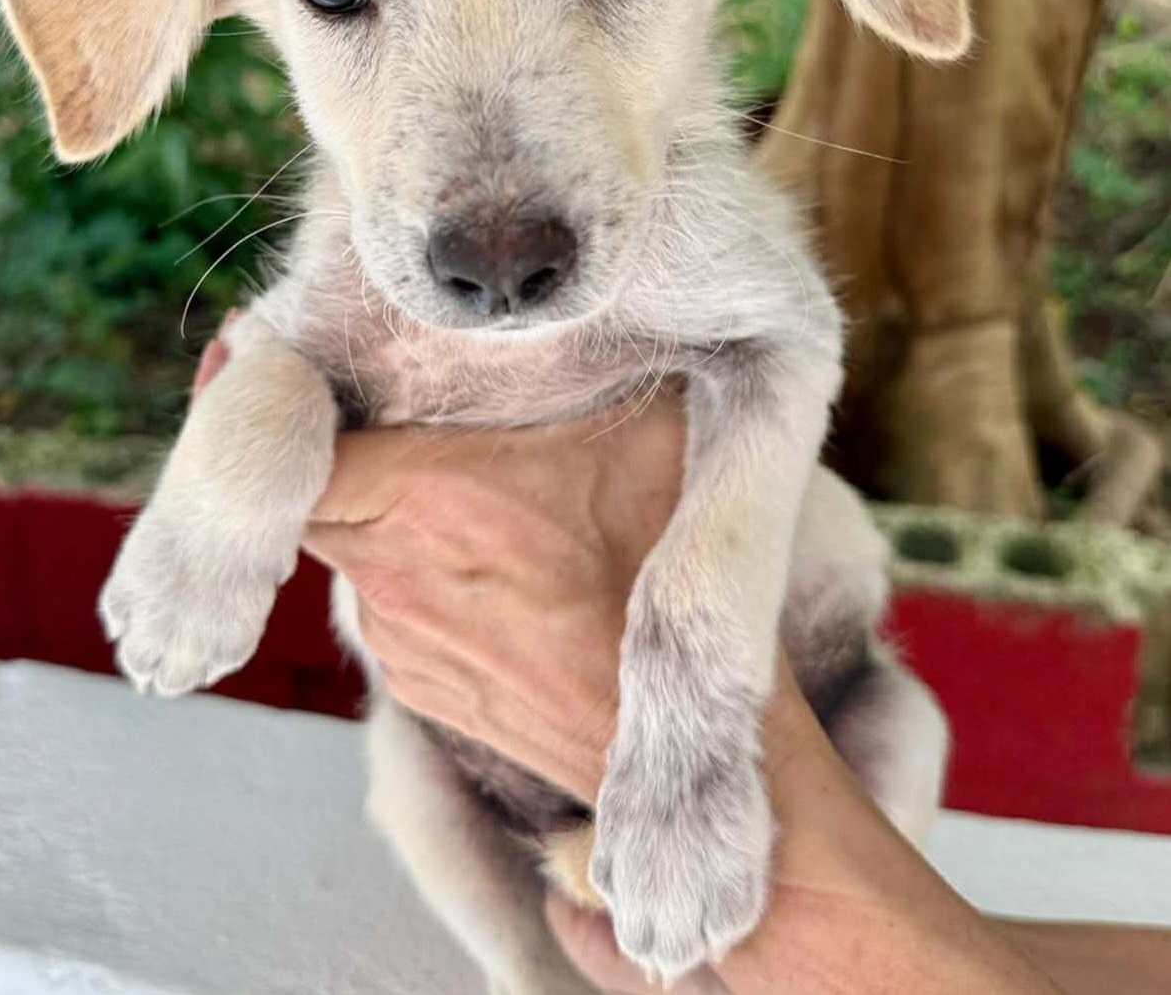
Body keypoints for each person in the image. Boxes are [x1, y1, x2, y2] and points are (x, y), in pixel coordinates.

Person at [193, 331, 1169, 994]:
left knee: (900, 722)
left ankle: (835, 932)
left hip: (803, 712)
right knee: (413, 773)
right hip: (506, 793)